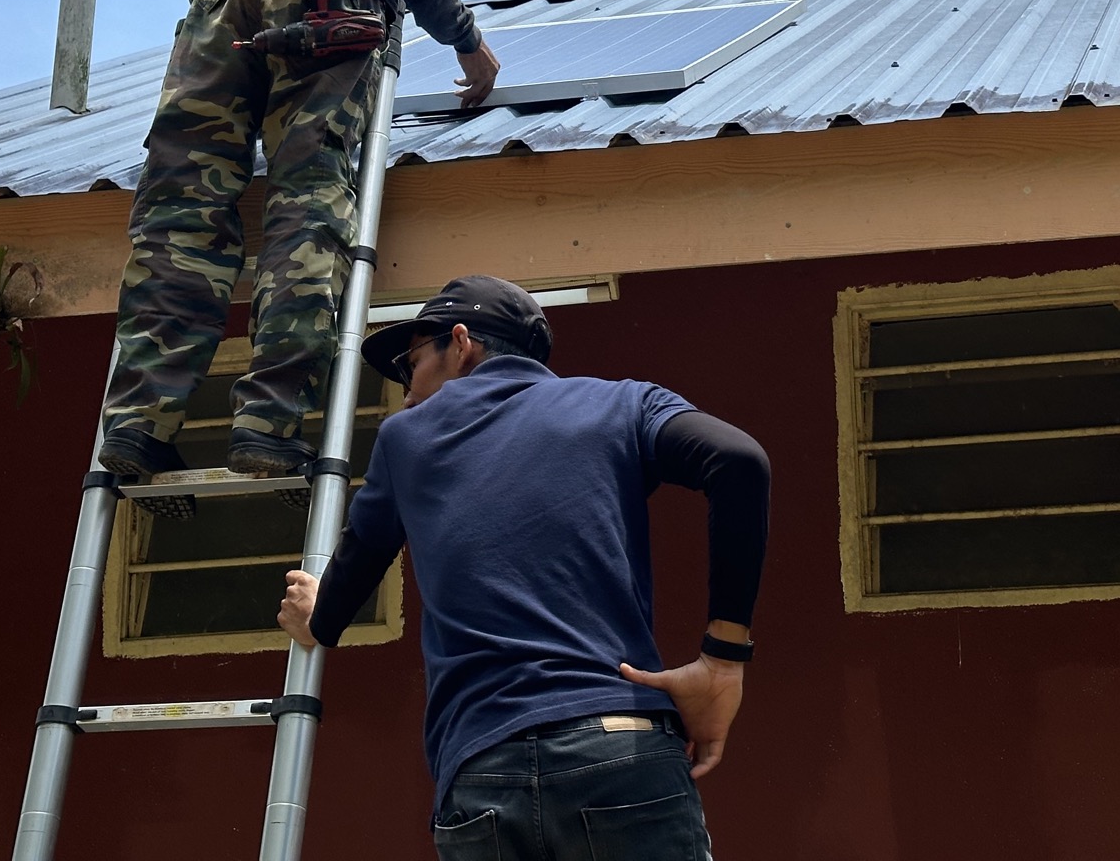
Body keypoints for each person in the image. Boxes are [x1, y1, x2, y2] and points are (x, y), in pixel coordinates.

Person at [98, 0, 500, 487]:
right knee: (309, 202)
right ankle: (267, 424)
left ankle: (138, 426)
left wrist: (227, 37)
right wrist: (468, 43)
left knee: (181, 208)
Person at [278, 275, 770, 860]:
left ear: (461, 344)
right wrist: (722, 660)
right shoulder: (623, 403)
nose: (406, 394)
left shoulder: (405, 437)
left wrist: (317, 615)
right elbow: (738, 461)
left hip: (484, 768)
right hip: (620, 743)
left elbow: (350, 578)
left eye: (410, 365)